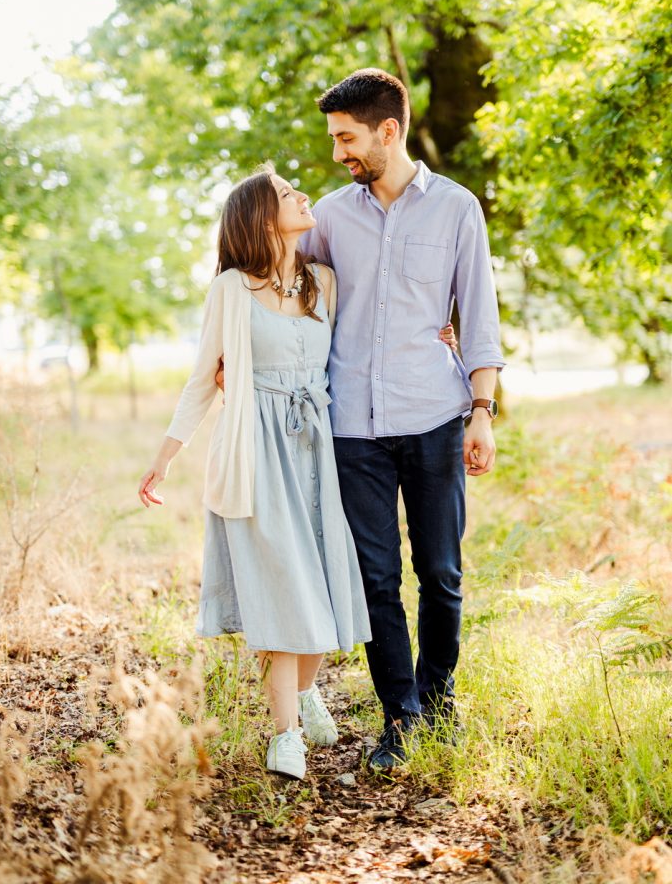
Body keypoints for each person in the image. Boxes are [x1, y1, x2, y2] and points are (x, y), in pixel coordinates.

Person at [298, 68, 505, 770]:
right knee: (375, 579)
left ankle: (439, 701)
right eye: (334, 140)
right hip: (351, 425)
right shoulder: (326, 216)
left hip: (435, 418)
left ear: (388, 131)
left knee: (440, 572)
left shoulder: (455, 209)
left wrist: (481, 411)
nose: (338, 154)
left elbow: (477, 316)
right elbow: (281, 289)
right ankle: (401, 719)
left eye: (346, 138)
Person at [137, 163, 372, 781]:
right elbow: (201, 379)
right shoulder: (230, 291)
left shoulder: (324, 280)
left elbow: (353, 356)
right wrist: (164, 457)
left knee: (319, 583)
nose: (301, 196)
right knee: (280, 591)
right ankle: (284, 735)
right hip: (256, 452)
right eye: (286, 194)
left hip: (317, 451)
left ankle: (305, 691)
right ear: (261, 218)